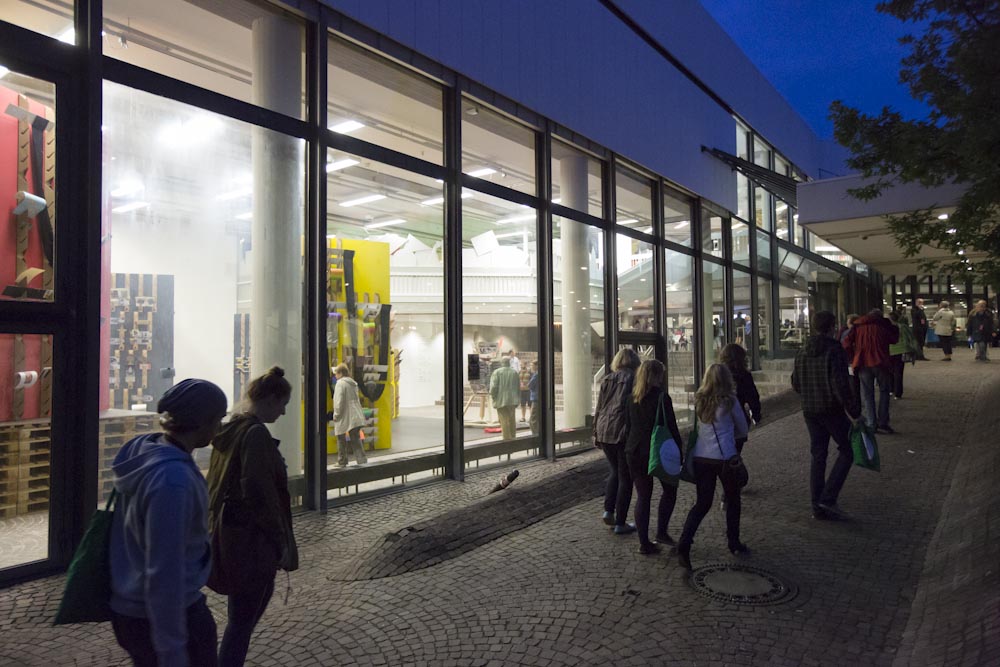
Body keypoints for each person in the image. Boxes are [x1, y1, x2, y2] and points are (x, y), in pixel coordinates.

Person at [109, 379, 228, 667]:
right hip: (164, 617)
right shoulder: (173, 480)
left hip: (131, 607)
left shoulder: (144, 452)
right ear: (202, 422)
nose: (220, 427)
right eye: (218, 419)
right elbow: (165, 570)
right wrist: (171, 650)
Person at [207, 367, 299, 667]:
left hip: (232, 536)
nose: (283, 412)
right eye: (283, 404)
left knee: (240, 619)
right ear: (270, 399)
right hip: (252, 542)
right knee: (242, 622)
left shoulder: (234, 429)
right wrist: (279, 539)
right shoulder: (256, 434)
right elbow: (259, 492)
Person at [676, 364, 749, 570]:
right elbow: (743, 429)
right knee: (733, 500)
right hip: (725, 458)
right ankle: (733, 542)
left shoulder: (699, 400)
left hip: (701, 458)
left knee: (702, 503)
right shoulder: (730, 401)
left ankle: (684, 544)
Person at [792, 311, 863, 521]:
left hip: (809, 410)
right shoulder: (834, 349)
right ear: (832, 327)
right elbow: (840, 384)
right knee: (849, 449)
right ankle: (828, 497)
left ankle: (817, 504)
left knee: (818, 455)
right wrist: (854, 411)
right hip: (831, 409)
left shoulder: (802, 351)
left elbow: (796, 382)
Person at [624, 359, 684, 554]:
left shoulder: (631, 398)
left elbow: (628, 427)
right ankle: (661, 532)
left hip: (635, 451)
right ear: (656, 375)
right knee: (670, 490)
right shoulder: (662, 398)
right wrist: (679, 452)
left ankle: (644, 543)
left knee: (643, 496)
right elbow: (671, 427)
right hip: (658, 450)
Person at [593, 348, 641, 534]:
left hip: (604, 429)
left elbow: (599, 407)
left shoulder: (607, 379)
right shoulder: (634, 379)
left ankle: (608, 511)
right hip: (621, 430)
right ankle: (621, 522)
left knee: (614, 471)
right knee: (625, 477)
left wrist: (596, 431)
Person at [843, 309, 898, 434]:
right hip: (881, 361)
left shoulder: (858, 325)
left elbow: (846, 343)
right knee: (884, 391)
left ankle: (871, 423)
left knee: (867, 394)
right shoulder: (883, 325)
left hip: (862, 362)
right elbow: (894, 339)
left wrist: (853, 356)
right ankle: (883, 422)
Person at [718, 343, 761, 453]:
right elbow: (753, 398)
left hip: (719, 420)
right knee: (735, 452)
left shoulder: (718, 374)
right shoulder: (744, 376)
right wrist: (756, 415)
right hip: (738, 421)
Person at [332, 363, 368, 466]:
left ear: (340, 373)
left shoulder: (340, 384)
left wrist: (336, 414)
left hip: (344, 416)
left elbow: (339, 401)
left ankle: (342, 460)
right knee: (356, 439)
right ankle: (362, 462)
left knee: (341, 438)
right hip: (355, 415)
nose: (335, 376)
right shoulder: (353, 384)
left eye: (336, 373)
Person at [489, 356, 521, 440]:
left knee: (504, 421)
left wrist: (493, 397)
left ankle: (507, 439)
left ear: (501, 362)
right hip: (512, 400)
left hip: (501, 400)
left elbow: (493, 387)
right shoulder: (514, 372)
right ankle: (513, 437)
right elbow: (518, 387)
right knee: (512, 420)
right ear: (509, 362)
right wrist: (518, 399)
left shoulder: (497, 372)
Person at [887, 311, 917, 399]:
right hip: (901, 351)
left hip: (889, 351)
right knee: (899, 372)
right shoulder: (903, 327)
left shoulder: (887, 327)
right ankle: (898, 393)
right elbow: (909, 338)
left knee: (890, 371)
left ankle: (891, 389)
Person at [527, 361, 540, 435]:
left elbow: (530, 385)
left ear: (536, 366)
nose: (531, 367)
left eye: (532, 365)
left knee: (533, 419)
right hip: (538, 398)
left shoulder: (536, 375)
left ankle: (535, 435)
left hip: (536, 399)